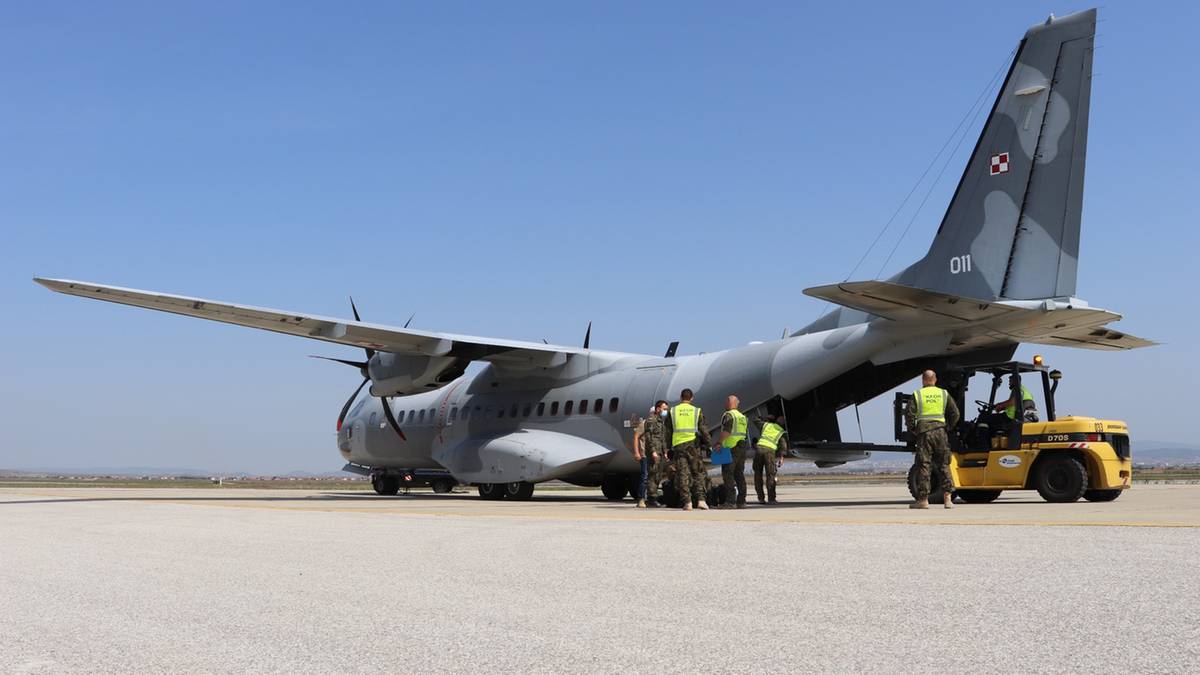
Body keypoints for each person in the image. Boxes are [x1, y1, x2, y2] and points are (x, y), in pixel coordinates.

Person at [906, 369, 961, 509]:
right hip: (940, 432)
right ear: (935, 379)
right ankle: (948, 500)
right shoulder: (943, 394)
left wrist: (914, 429)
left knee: (924, 465)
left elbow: (909, 415)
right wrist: (947, 427)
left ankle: (923, 500)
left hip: (924, 433)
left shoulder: (918, 394)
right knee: (944, 464)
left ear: (923, 380)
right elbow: (955, 413)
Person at [663, 388, 711, 511]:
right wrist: (710, 445)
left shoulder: (673, 411)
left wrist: (667, 448)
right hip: (693, 447)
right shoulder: (696, 411)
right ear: (692, 398)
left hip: (679, 446)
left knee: (683, 474)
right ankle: (701, 500)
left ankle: (687, 502)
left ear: (680, 397)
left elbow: (668, 432)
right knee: (698, 473)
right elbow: (704, 430)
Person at [631, 400, 669, 507]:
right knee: (646, 476)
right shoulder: (648, 422)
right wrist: (638, 452)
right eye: (664, 409)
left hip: (658, 452)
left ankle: (650, 498)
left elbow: (662, 439)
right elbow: (643, 437)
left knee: (656, 475)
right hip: (647, 454)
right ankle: (642, 499)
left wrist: (665, 452)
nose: (665, 411)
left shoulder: (661, 422)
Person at [716, 395, 749, 509]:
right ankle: (741, 501)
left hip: (731, 447)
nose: (725, 404)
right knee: (739, 474)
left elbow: (727, 431)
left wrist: (719, 442)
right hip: (741, 447)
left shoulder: (729, 415)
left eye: (726, 401)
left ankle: (730, 502)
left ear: (730, 402)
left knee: (728, 474)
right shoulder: (742, 416)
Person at [753, 415, 787, 504]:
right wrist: (781, 457)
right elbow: (783, 445)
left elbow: (755, 420)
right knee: (770, 475)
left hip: (759, 450)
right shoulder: (781, 432)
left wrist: (766, 417)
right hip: (769, 452)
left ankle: (760, 498)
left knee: (757, 475)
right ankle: (771, 499)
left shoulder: (766, 425)